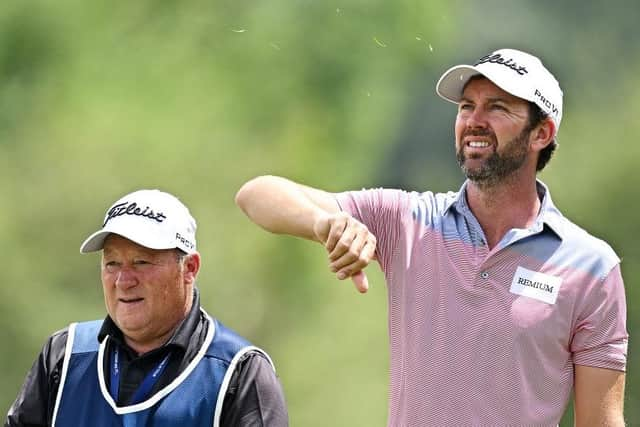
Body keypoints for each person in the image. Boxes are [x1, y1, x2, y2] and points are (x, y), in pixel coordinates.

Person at [235, 48, 628, 426]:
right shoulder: (407, 220)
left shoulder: (591, 267)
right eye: (466, 106)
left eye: (496, 107)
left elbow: (600, 422)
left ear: (541, 133)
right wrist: (325, 224)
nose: (474, 120)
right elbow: (257, 194)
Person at [5, 189, 288, 427]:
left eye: (142, 262)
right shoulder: (64, 357)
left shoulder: (238, 372)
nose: (123, 280)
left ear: (189, 268)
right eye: (112, 263)